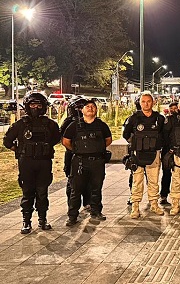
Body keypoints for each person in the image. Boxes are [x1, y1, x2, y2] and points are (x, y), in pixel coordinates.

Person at [3, 93, 61, 234]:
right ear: (27, 106)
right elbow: (7, 141)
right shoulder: (20, 124)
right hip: (26, 163)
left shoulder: (51, 124)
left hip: (44, 162)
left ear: (44, 106)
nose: (36, 107)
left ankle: (43, 219)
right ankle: (26, 221)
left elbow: (56, 139)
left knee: (42, 192)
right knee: (27, 192)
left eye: (39, 105)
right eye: (33, 105)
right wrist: (21, 150)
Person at [62, 99, 112, 225]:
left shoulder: (101, 125)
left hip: (97, 162)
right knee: (76, 190)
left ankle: (96, 211)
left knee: (96, 188)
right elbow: (66, 141)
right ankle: (72, 216)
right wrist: (78, 151)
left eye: (93, 106)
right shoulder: (74, 125)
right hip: (79, 162)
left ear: (96, 110)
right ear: (82, 110)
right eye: (87, 106)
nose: (90, 108)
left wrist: (96, 149)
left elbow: (108, 140)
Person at [123, 92, 167, 218]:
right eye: (143, 101)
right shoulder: (133, 118)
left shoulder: (159, 118)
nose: (146, 104)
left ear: (153, 102)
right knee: (137, 181)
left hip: (154, 153)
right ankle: (135, 206)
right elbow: (126, 134)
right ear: (140, 103)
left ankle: (154, 204)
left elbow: (164, 135)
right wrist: (136, 143)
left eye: (148, 101)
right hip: (138, 153)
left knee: (153, 180)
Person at [60, 96, 90, 211]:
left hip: (87, 154)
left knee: (88, 180)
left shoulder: (92, 121)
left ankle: (88, 202)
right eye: (78, 108)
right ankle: (72, 206)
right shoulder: (68, 122)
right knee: (72, 181)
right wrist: (74, 149)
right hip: (72, 154)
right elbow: (62, 139)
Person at [160, 102, 180, 205]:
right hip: (167, 151)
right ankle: (164, 196)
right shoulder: (167, 120)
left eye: (175, 108)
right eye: (171, 108)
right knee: (166, 174)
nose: (173, 110)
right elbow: (163, 135)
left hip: (179, 150)